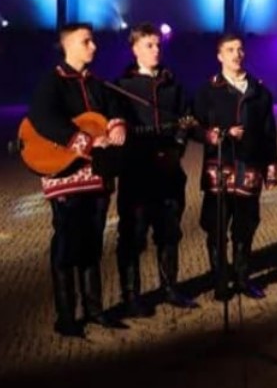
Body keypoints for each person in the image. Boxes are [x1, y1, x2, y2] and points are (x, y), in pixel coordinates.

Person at [27, 22, 128, 336]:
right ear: (68, 45)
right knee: (67, 241)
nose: (93, 46)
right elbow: (42, 118)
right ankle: (66, 315)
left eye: (93, 41)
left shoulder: (97, 83)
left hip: (97, 175)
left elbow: (114, 108)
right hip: (65, 173)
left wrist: (117, 125)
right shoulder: (52, 81)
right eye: (86, 41)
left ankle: (95, 309)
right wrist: (84, 141)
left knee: (93, 240)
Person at [113, 23, 198, 315]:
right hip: (137, 175)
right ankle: (131, 296)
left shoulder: (173, 85)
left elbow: (187, 119)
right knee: (132, 236)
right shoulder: (121, 87)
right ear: (134, 48)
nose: (156, 50)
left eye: (158, 45)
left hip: (169, 173)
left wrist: (178, 145)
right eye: (149, 45)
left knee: (169, 233)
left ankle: (170, 288)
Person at [193, 34, 277, 301]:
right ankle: (220, 281)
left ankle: (243, 279)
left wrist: (272, 166)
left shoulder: (260, 92)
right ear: (219, 56)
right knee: (216, 228)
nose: (236, 54)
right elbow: (194, 126)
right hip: (219, 168)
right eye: (230, 50)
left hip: (250, 168)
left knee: (245, 228)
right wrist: (215, 134)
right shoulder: (207, 91)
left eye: (240, 49)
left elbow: (269, 133)